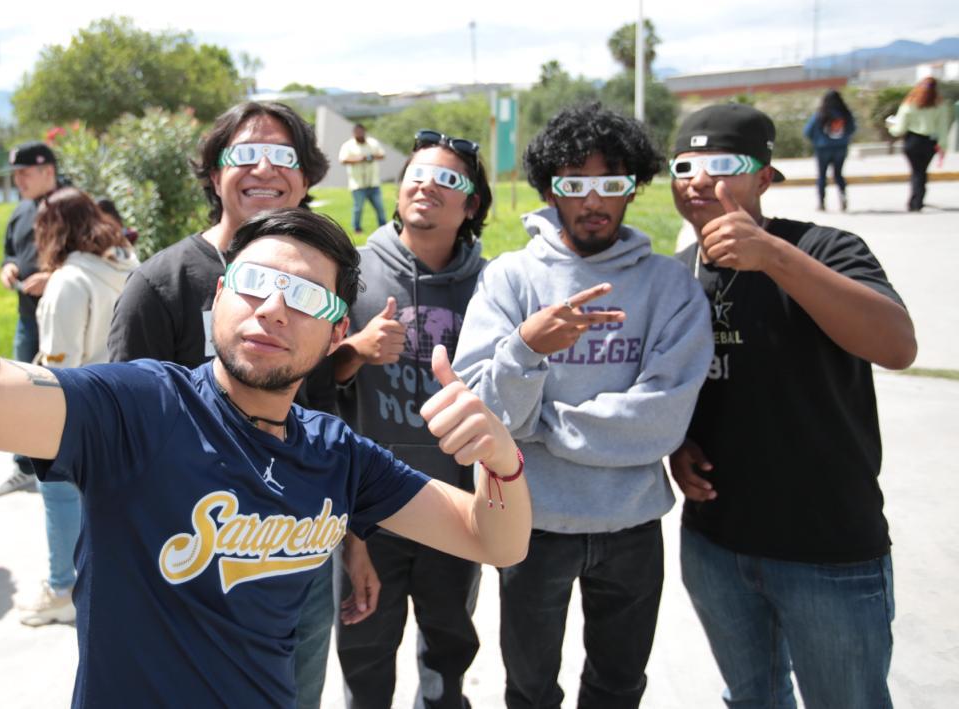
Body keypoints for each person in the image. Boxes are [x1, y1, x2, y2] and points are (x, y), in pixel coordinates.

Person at [0, 7, 531, 706]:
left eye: (306, 297)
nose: (273, 307)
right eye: (255, 282)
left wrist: (501, 462)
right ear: (217, 296)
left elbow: (495, 541)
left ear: (335, 336)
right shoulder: (141, 407)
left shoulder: (336, 454)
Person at [453, 102, 713, 709]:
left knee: (618, 687)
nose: (593, 201)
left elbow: (661, 420)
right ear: (549, 190)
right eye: (574, 184)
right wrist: (525, 348)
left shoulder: (670, 286)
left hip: (632, 526)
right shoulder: (510, 280)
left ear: (634, 188)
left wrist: (539, 425)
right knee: (529, 689)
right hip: (530, 524)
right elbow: (485, 415)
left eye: (610, 184)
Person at [668, 102, 917, 707]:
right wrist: (677, 443)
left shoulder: (824, 248)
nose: (699, 180)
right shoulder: (674, 277)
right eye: (684, 166)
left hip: (827, 550)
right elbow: (672, 388)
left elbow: (896, 345)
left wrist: (774, 257)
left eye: (723, 165)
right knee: (752, 698)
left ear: (764, 177)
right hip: (716, 546)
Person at [105, 99, 338, 707]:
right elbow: (121, 439)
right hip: (191, 560)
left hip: (300, 552)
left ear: (306, 178)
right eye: (246, 154)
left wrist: (354, 548)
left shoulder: (321, 283)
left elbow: (328, 423)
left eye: (283, 155)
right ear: (215, 175)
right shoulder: (159, 285)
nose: (265, 168)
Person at [333, 129, 493, 709]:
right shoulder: (350, 272)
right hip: (370, 512)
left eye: (448, 179)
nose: (427, 186)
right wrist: (356, 350)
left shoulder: (491, 284)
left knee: (448, 660)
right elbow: (312, 386)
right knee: (365, 658)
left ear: (471, 205)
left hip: (455, 509)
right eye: (416, 175)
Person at [20, 187, 138, 627]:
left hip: (79, 412)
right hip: (126, 406)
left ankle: (61, 589)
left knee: (59, 497)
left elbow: (59, 369)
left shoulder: (69, 281)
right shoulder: (127, 263)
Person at [0, 139, 60, 498]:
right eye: (15, 175)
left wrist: (54, 277)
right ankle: (24, 467)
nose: (18, 181)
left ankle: (63, 466)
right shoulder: (20, 210)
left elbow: (99, 256)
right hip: (28, 318)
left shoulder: (74, 205)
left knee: (61, 391)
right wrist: (9, 267)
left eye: (24, 173)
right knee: (20, 388)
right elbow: (9, 252)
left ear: (48, 171)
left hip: (64, 320)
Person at [888, 76, 951, 212]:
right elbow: (943, 128)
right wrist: (943, 146)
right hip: (929, 143)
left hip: (912, 141)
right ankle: (917, 200)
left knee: (917, 172)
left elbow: (899, 129)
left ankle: (915, 201)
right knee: (921, 172)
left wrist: (891, 127)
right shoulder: (940, 105)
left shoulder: (909, 103)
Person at [803, 89, 855, 211]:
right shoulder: (845, 114)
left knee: (822, 175)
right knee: (838, 174)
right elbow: (852, 129)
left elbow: (807, 131)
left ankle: (822, 202)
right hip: (841, 148)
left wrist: (817, 140)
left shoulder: (821, 114)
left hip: (823, 149)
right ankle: (843, 196)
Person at [339, 124, 388, 233]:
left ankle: (384, 227)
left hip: (373, 183)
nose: (359, 134)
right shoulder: (348, 145)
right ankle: (357, 228)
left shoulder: (373, 143)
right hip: (357, 184)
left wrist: (371, 157)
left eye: (361, 132)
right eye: (357, 132)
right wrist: (360, 158)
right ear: (353, 133)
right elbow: (343, 160)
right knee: (358, 209)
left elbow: (382, 155)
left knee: (380, 207)